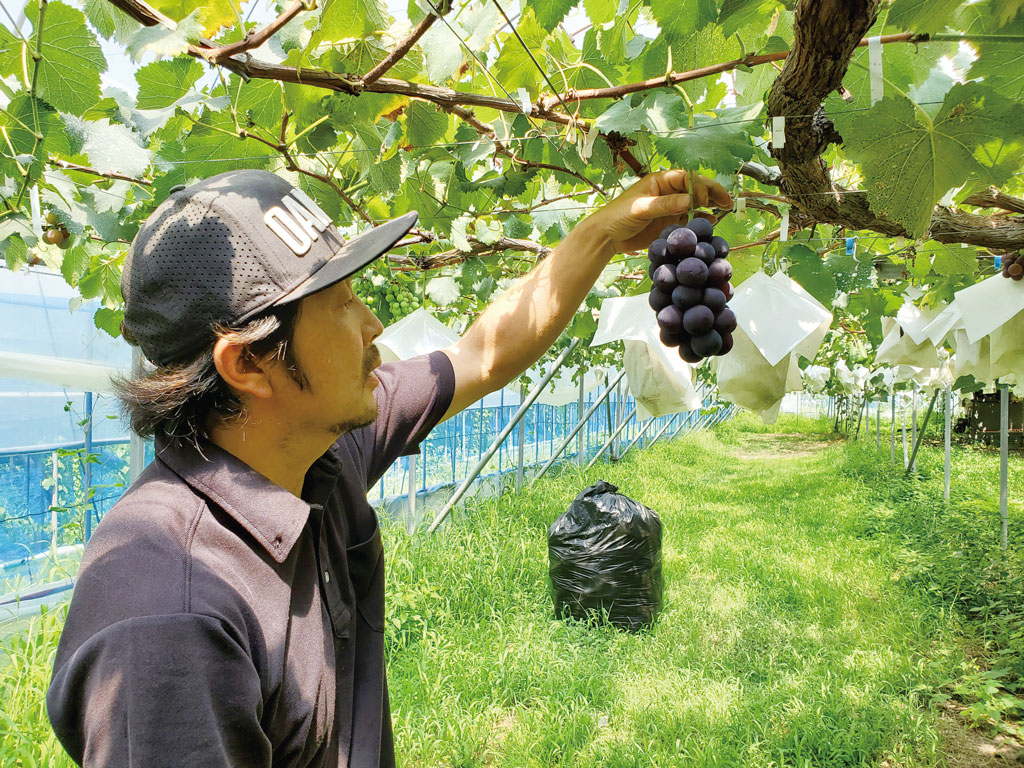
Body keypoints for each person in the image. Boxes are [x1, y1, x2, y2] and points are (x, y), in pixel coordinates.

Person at [46, 167, 731, 767]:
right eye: (340, 303)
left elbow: (481, 357)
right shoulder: (170, 620)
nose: (373, 325)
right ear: (247, 362)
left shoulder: (313, 454)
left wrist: (610, 230)